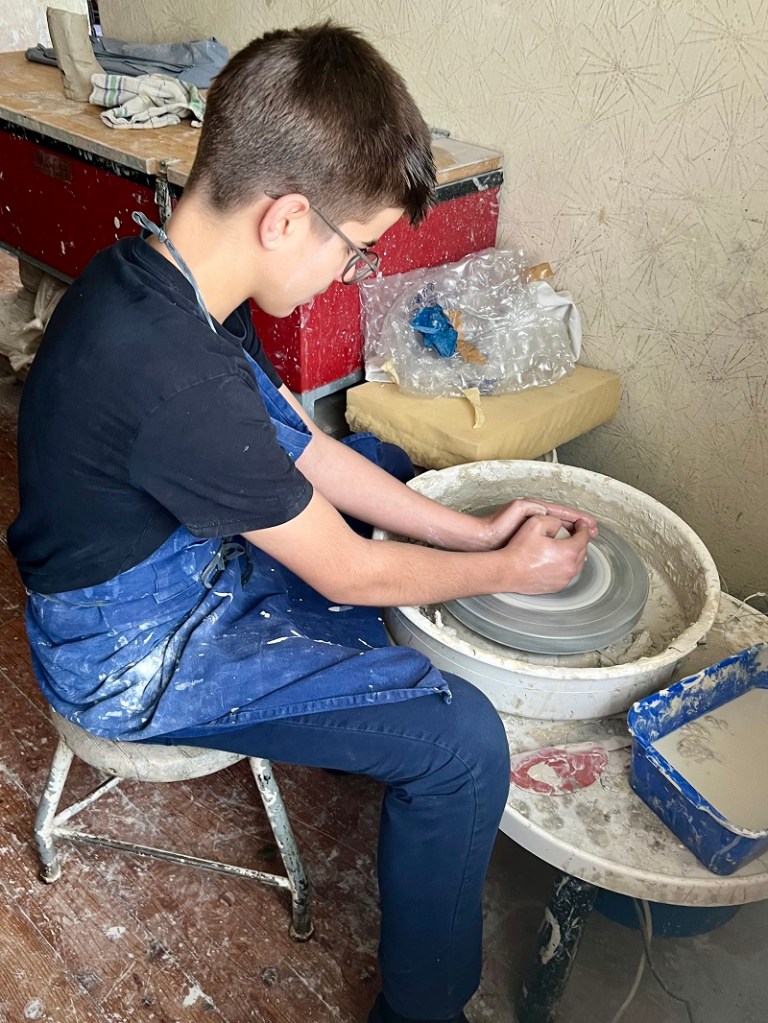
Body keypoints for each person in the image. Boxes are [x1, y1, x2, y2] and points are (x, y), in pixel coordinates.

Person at [8, 23, 595, 1023]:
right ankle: (421, 1011)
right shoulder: (175, 378)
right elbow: (346, 573)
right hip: (128, 653)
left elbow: (306, 449)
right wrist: (511, 573)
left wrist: (469, 530)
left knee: (388, 471)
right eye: (356, 251)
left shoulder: (162, 277)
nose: (348, 275)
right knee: (461, 742)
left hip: (164, 550)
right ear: (286, 219)